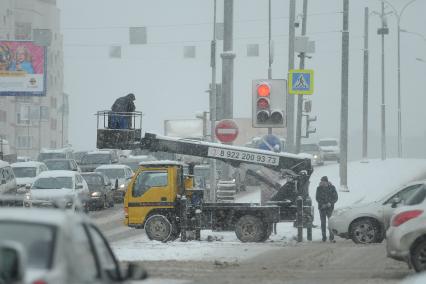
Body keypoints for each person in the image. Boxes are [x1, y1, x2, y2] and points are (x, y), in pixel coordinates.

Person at [316, 176, 338, 242]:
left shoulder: (332, 188)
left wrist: (330, 203)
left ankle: (331, 236)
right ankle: (324, 237)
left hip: (330, 208)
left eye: (323, 181)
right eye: (321, 181)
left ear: (327, 181)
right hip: (322, 208)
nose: (322, 183)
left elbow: (335, 197)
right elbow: (317, 198)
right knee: (323, 223)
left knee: (330, 222)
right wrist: (323, 204)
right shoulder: (319, 188)